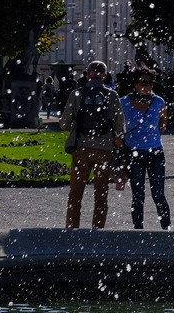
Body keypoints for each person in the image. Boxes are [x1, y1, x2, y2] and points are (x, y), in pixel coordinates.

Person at [60, 60, 125, 228]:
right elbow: (119, 124)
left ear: (88, 74)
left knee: (75, 194)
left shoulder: (77, 93)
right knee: (101, 193)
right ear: (104, 75)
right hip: (104, 149)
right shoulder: (111, 95)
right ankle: (97, 231)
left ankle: (73, 230)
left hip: (81, 147)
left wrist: (78, 123)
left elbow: (64, 124)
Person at [119, 70, 171, 229]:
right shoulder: (124, 102)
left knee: (158, 194)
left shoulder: (159, 102)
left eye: (150, 83)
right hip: (134, 153)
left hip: (155, 153)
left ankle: (166, 227)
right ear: (135, 84)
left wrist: (151, 136)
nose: (147, 86)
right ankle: (138, 228)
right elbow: (117, 124)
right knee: (138, 195)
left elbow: (163, 123)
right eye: (143, 82)